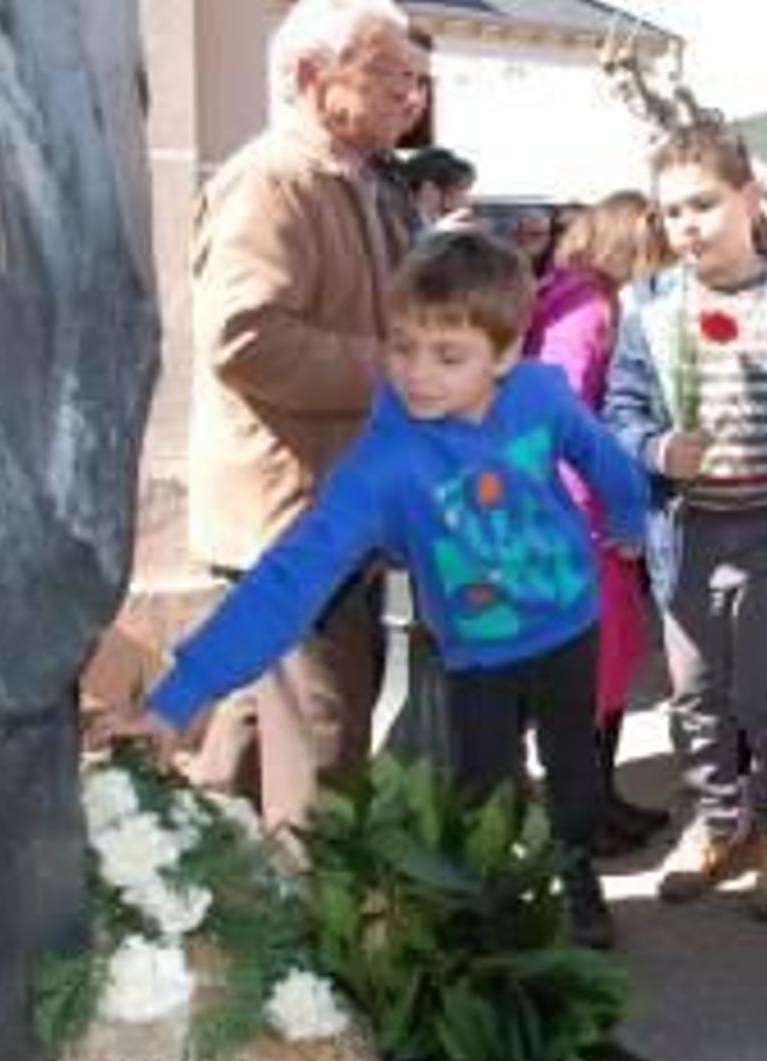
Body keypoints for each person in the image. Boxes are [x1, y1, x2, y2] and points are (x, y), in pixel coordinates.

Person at [125, 231, 648, 948]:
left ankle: (578, 873)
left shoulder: (539, 395)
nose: (417, 375)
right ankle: (495, 923)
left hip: (567, 628)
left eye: (447, 355)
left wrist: (628, 518)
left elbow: (601, 456)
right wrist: (177, 697)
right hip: (476, 658)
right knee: (483, 795)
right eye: (402, 348)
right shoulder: (386, 463)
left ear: (505, 353)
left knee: (574, 776)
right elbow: (290, 577)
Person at [181, 0, 429, 835]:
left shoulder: (363, 181)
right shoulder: (272, 180)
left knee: (249, 741)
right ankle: (315, 950)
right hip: (290, 519)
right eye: (393, 75)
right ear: (313, 78)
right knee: (321, 755)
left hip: (333, 509)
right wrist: (398, 372)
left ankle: (179, 904)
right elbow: (245, 339)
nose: (413, 95)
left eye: (418, 79)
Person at [604, 121, 767, 920]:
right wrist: (652, 449)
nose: (686, 225)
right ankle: (719, 823)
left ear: (749, 199)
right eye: (671, 211)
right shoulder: (648, 307)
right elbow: (620, 412)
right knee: (696, 698)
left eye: (704, 204)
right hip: (687, 536)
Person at [524, 190, 670, 856]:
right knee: (592, 677)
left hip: (584, 516)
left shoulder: (577, 296)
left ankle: (601, 801)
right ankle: (581, 821)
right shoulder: (585, 308)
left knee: (609, 671)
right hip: (578, 523)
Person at [399, 145, 477, 233]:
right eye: (460, 189)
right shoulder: (400, 226)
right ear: (429, 189)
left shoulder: (433, 223)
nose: (467, 199)